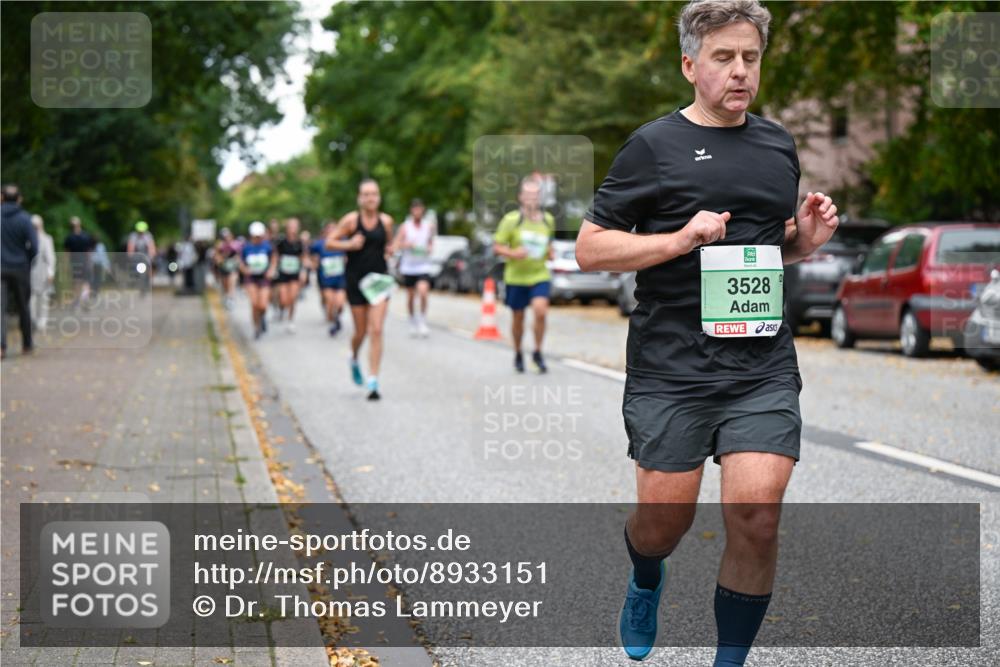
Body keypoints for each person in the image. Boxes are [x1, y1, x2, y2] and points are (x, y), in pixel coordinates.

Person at [574, 2, 840, 664]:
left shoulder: (778, 144)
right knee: (664, 524)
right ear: (691, 65)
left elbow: (758, 247)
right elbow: (590, 249)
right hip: (672, 368)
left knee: (757, 516)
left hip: (761, 366)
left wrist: (802, 238)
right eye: (723, 57)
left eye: (750, 57)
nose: (740, 71)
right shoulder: (652, 146)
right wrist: (678, 238)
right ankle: (645, 573)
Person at [326, 178, 394, 400]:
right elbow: (330, 242)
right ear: (359, 198)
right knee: (361, 332)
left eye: (373, 194)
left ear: (379, 197)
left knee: (376, 330)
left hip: (378, 282)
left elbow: (388, 245)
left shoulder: (386, 221)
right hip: (355, 281)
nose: (370, 198)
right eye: (365, 194)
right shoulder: (351, 221)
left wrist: (390, 251)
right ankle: (353, 357)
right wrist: (349, 244)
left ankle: (373, 380)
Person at [493, 177, 555, 373]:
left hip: (539, 274)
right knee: (518, 318)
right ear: (520, 197)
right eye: (527, 194)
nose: (531, 198)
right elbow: (497, 247)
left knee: (540, 311)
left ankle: (537, 351)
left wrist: (550, 252)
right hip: (516, 277)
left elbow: (549, 245)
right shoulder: (511, 220)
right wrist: (513, 253)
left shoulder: (548, 220)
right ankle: (518, 351)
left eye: (535, 195)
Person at [1, 184, 39, 358]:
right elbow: (35, 247)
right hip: (20, 268)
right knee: (24, 307)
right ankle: (27, 344)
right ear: (19, 199)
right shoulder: (25, 219)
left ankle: (1, 347)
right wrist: (26, 261)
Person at [392, 198, 435, 337]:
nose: (417, 211)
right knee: (410, 296)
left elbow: (431, 242)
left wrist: (429, 248)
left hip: (423, 266)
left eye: (419, 208)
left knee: (423, 292)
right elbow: (396, 244)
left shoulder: (429, 226)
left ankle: (422, 320)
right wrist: (407, 245)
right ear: (411, 210)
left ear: (423, 210)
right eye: (415, 209)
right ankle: (412, 320)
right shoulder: (405, 227)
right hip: (409, 267)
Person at [311, 221, 347, 336]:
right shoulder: (319, 244)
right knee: (330, 302)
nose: (332, 231)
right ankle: (333, 322)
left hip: (340, 277)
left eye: (334, 228)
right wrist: (313, 262)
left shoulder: (343, 241)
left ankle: (337, 318)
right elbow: (310, 255)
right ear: (325, 231)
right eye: (329, 229)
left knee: (340, 303)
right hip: (325, 278)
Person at [271, 217, 306, 333]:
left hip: (295, 273)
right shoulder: (281, 241)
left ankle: (291, 321)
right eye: (291, 226)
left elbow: (303, 257)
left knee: (293, 298)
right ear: (287, 228)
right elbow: (276, 256)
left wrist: (303, 271)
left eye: (295, 226)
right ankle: (280, 308)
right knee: (284, 299)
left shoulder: (300, 242)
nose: (293, 228)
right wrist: (273, 268)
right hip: (283, 273)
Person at [240, 221, 273, 339]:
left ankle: (262, 316)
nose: (258, 238)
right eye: (256, 236)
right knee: (254, 304)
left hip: (264, 278)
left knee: (263, 305)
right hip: (251, 278)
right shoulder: (246, 248)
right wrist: (244, 270)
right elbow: (241, 262)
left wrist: (271, 270)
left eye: (260, 236)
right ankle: (256, 327)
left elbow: (274, 259)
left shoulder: (267, 246)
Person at [29, 214, 56, 333]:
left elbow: (51, 258)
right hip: (29, 273)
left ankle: (42, 321)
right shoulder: (27, 239)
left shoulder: (46, 239)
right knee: (31, 299)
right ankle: (32, 321)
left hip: (43, 272)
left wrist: (51, 272)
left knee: (44, 298)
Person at [63, 216, 95, 308]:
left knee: (77, 282)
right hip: (84, 261)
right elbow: (89, 252)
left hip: (75, 262)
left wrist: (65, 264)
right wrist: (90, 262)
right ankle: (84, 300)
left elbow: (67, 253)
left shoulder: (69, 237)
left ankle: (78, 301)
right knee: (85, 282)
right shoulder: (85, 236)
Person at [127, 220, 157, 294]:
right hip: (137, 256)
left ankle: (148, 281)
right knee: (134, 268)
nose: (141, 233)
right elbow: (131, 247)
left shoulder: (148, 236)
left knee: (150, 267)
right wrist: (130, 255)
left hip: (146, 256)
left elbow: (151, 247)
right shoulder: (133, 236)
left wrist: (152, 256)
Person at [215, 227, 241, 309]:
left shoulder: (236, 244)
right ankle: (227, 297)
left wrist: (237, 261)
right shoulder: (220, 245)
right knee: (225, 285)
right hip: (224, 268)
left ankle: (231, 298)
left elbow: (240, 255)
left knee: (232, 282)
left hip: (233, 268)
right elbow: (217, 257)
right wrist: (222, 258)